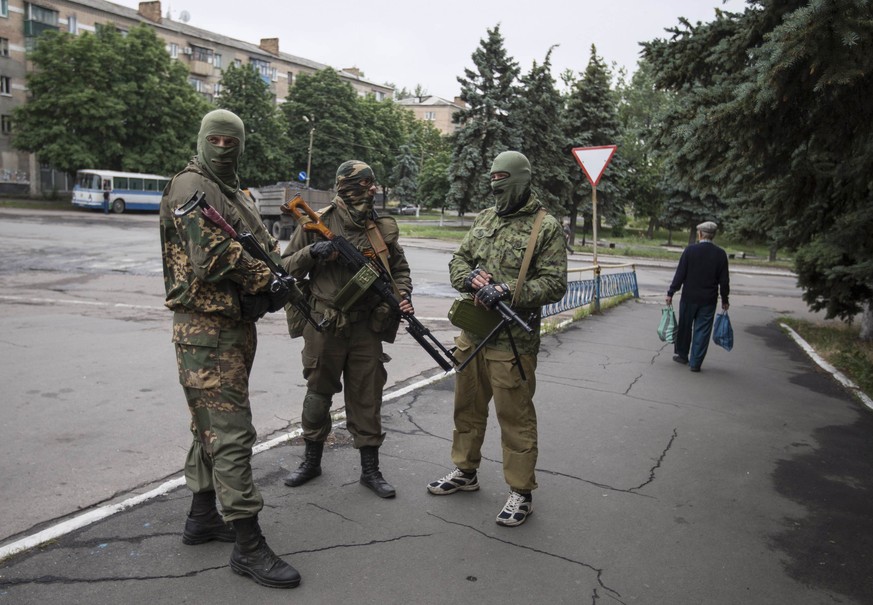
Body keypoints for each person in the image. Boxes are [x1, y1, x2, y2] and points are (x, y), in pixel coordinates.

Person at [159, 108, 301, 589]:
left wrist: (281, 275)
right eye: (214, 140)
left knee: (211, 429)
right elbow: (211, 255)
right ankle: (249, 545)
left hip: (233, 328)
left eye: (231, 141)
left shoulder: (235, 194)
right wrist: (266, 279)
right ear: (202, 140)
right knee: (233, 433)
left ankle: (202, 518)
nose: (223, 147)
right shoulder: (188, 186)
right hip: (206, 331)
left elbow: (264, 248)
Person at [426, 150, 567, 527]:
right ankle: (465, 472)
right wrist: (470, 279)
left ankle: (521, 492)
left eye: (504, 184)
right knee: (467, 408)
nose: (497, 191)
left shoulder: (546, 227)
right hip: (473, 333)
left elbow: (555, 285)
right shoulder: (487, 218)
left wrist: (507, 291)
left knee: (514, 417)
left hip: (512, 343)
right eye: (493, 183)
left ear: (521, 182)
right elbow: (459, 260)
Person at [280, 160, 414, 499]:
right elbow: (284, 267)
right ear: (346, 186)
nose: (372, 190)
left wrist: (403, 294)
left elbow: (399, 269)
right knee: (318, 394)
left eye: (372, 183)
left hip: (366, 327)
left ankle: (370, 470)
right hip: (325, 324)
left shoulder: (379, 226)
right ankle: (311, 461)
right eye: (365, 183)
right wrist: (314, 251)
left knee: (367, 397)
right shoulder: (317, 222)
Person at [666, 220, 730, 372]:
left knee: (685, 327)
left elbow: (680, 274)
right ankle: (695, 363)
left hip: (689, 297)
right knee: (702, 331)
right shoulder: (720, 254)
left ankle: (682, 355)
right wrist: (725, 299)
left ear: (700, 234)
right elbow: (724, 281)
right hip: (708, 300)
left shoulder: (690, 250)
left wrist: (671, 292)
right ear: (713, 236)